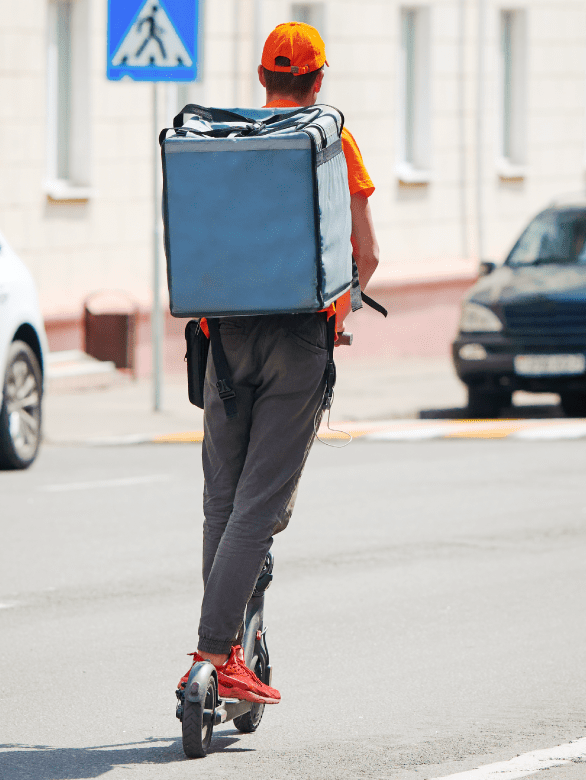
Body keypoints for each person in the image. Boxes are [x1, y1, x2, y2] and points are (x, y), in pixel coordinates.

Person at [177, 22, 380, 704]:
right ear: (318, 81)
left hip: (223, 342)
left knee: (222, 504)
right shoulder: (330, 139)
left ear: (263, 78)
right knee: (260, 507)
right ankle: (213, 655)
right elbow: (366, 256)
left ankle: (230, 641)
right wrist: (339, 319)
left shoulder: (222, 141)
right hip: (298, 341)